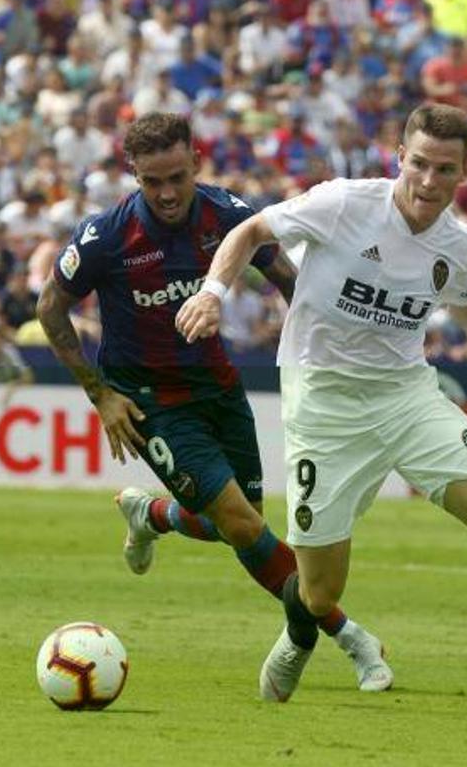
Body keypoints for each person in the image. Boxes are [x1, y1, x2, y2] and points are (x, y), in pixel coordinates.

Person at [176, 104, 467, 717]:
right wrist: (212, 292)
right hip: (325, 404)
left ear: (464, 172)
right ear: (400, 159)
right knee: (318, 591)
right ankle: (301, 632)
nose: (427, 181)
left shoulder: (454, 240)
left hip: (407, 395)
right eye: (418, 164)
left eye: (445, 169)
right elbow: (250, 232)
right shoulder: (344, 203)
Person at [37, 112, 392, 693]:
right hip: (151, 401)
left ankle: (152, 515)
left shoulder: (227, 215)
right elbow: (51, 306)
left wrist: (322, 347)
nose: (168, 193)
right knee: (243, 525)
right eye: (153, 182)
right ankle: (348, 635)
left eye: (177, 176)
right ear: (134, 176)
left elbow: (285, 277)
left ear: (195, 160)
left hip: (218, 386)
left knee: (235, 525)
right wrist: (101, 396)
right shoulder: (106, 238)